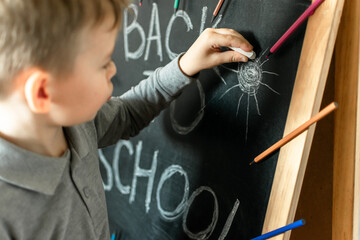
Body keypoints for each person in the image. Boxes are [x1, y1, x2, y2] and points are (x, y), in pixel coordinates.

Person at [0, 0, 253, 239]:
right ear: (44, 92)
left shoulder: (71, 122)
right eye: (102, 64)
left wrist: (184, 66)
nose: (113, 70)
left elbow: (127, 114)